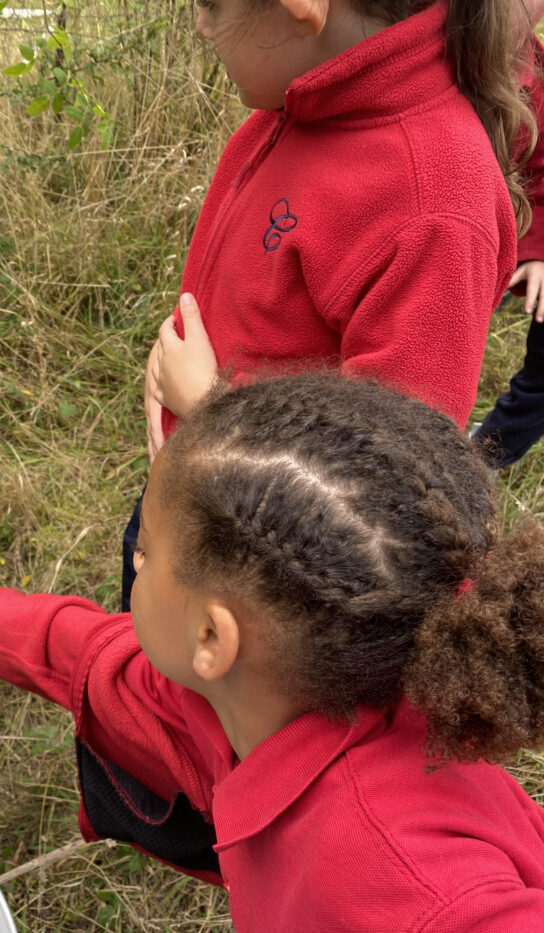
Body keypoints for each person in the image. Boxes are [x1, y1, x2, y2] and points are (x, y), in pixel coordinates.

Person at [0, 374, 544, 933]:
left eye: (150, 552)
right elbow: (91, 655)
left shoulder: (412, 912)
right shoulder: (265, 693)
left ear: (211, 636)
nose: (135, 562)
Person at [117, 0, 538, 610]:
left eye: (209, 4)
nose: (203, 25)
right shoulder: (294, 106)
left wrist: (209, 411)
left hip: (248, 580)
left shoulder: (437, 208)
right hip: (185, 503)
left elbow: (381, 488)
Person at [471, 6, 544, 468]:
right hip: (456, 246)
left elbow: (540, 171)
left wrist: (538, 247)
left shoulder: (535, 71)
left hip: (510, 241)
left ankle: (481, 458)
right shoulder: (436, 58)